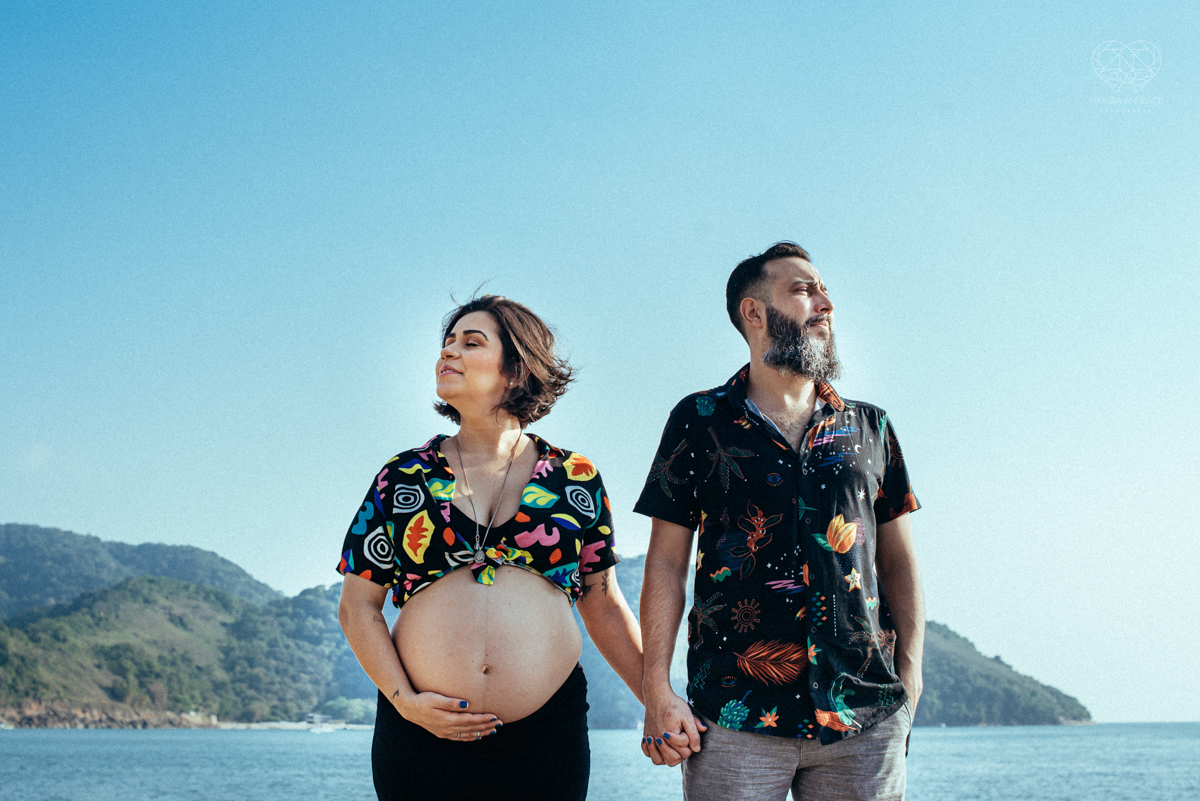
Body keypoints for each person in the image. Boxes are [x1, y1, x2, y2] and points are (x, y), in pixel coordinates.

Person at [635, 242, 924, 801]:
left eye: (823, 289)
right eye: (803, 290)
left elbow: (898, 560)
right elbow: (666, 563)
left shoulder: (873, 428)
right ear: (754, 312)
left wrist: (910, 677)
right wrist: (656, 690)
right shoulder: (697, 420)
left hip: (864, 713)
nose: (825, 303)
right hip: (734, 711)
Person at [337, 295, 644, 801]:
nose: (447, 353)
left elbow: (603, 603)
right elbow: (358, 607)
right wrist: (405, 702)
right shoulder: (402, 476)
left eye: (470, 342)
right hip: (420, 736)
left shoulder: (576, 477)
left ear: (518, 368)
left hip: (546, 739)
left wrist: (656, 700)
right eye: (446, 343)